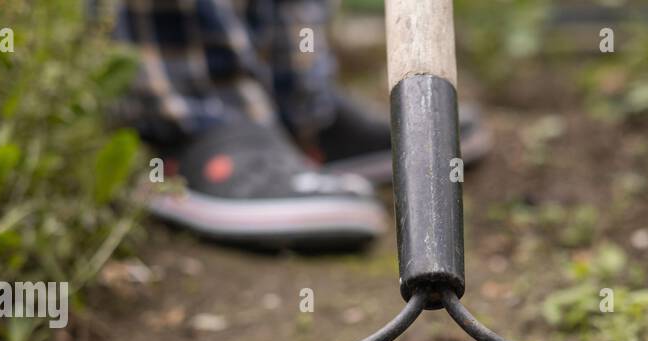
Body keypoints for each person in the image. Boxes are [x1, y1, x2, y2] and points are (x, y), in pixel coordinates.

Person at [113, 0, 488, 251]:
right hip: (182, 116)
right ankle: (196, 106)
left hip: (295, 98)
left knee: (296, 52)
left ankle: (298, 105)